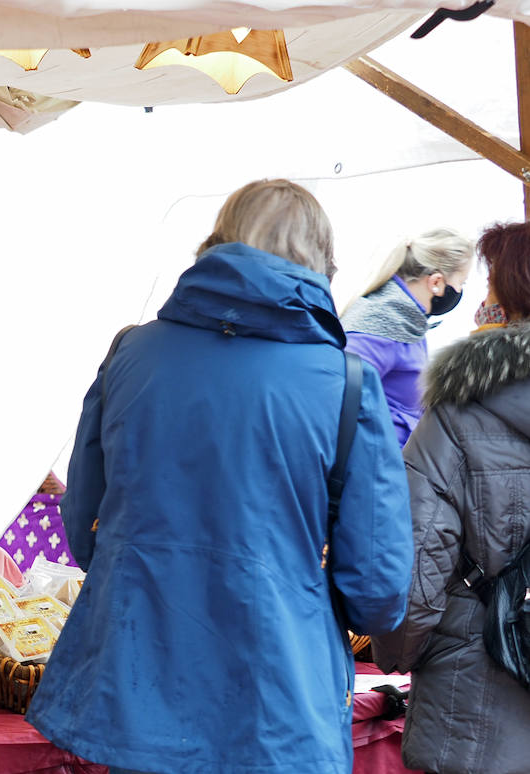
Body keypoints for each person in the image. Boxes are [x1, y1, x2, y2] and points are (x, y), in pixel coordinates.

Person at [26, 179, 414, 774]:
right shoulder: (345, 384)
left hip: (133, 688)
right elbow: (378, 591)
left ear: (216, 243)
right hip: (276, 698)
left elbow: (84, 531)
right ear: (321, 263)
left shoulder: (131, 353)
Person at [371, 221, 530, 774]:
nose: (479, 304)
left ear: (509, 302)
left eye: (490, 290)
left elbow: (415, 569)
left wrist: (393, 654)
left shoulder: (457, 414)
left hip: (475, 705)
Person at [341, 229, 474, 445]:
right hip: (376, 467)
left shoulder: (407, 320)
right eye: (462, 282)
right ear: (436, 282)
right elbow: (342, 401)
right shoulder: (381, 323)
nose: (459, 290)